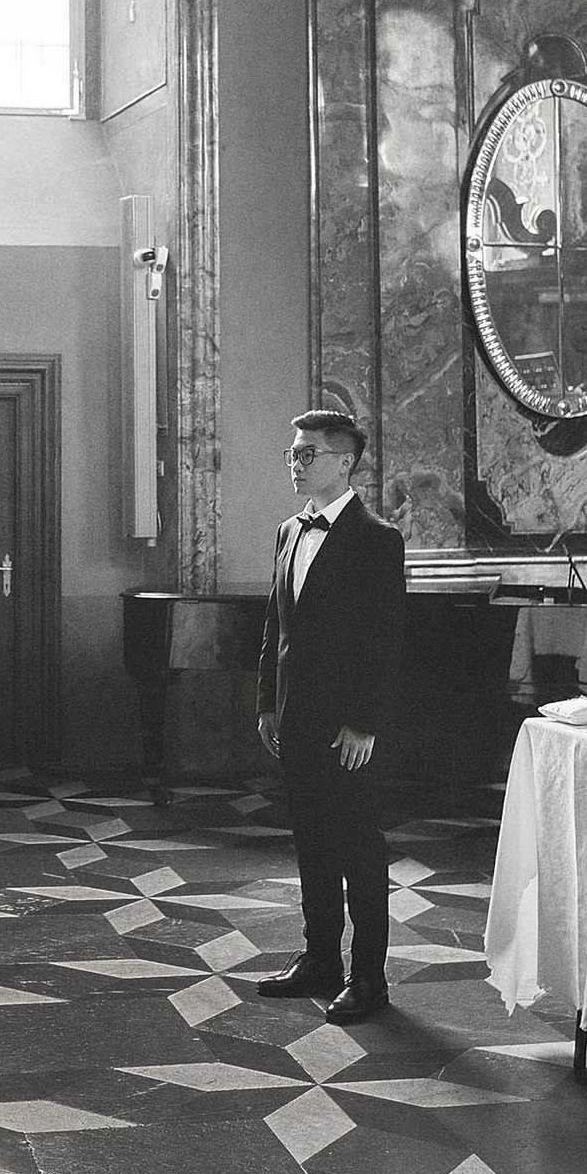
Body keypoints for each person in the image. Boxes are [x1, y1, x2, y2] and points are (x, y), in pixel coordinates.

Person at [253, 409, 407, 1025]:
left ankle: (368, 979)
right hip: (296, 719)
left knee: (359, 851)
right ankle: (320, 960)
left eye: (307, 454)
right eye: (293, 453)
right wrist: (268, 703)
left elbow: (385, 640)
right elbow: (276, 628)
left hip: (348, 728)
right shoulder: (289, 531)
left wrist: (365, 722)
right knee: (311, 844)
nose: (296, 464)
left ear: (344, 463)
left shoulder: (377, 539)